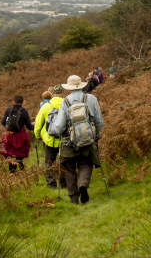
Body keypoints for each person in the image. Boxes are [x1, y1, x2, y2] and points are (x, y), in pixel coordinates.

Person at [53, 75, 104, 204]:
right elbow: (99, 121)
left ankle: (74, 199)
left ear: (69, 88)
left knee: (69, 169)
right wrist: (93, 135)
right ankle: (83, 185)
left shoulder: (64, 102)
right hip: (88, 140)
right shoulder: (92, 98)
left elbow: (59, 127)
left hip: (69, 142)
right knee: (86, 163)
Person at [33, 85, 66, 189]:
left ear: (52, 94)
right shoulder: (67, 105)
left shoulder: (46, 106)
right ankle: (63, 183)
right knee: (64, 162)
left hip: (49, 139)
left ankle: (51, 184)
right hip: (64, 139)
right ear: (63, 93)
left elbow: (38, 123)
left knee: (49, 162)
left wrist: (38, 135)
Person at [0, 95, 34, 172]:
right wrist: (35, 127)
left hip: (9, 135)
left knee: (10, 153)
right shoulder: (24, 111)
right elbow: (29, 126)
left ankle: (12, 172)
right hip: (20, 135)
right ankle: (21, 167)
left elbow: (2, 122)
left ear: (13, 102)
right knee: (19, 153)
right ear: (22, 102)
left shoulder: (8, 110)